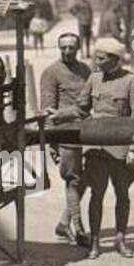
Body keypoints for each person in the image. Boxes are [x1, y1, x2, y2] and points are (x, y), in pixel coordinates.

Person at [70, 40, 134, 259]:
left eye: (101, 58)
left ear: (115, 59)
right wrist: (60, 116)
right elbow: (81, 107)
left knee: (121, 193)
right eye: (96, 57)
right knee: (97, 194)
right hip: (97, 147)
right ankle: (95, 241)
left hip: (121, 148)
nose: (96, 62)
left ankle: (120, 239)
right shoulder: (94, 78)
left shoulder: (132, 81)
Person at [40, 32, 92, 247]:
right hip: (65, 134)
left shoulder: (85, 70)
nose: (67, 51)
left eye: (71, 47)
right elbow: (48, 111)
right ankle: (78, 229)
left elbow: (90, 101)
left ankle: (63, 223)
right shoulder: (51, 73)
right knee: (73, 180)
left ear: (78, 48)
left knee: (87, 178)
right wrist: (51, 143)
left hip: (87, 132)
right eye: (63, 48)